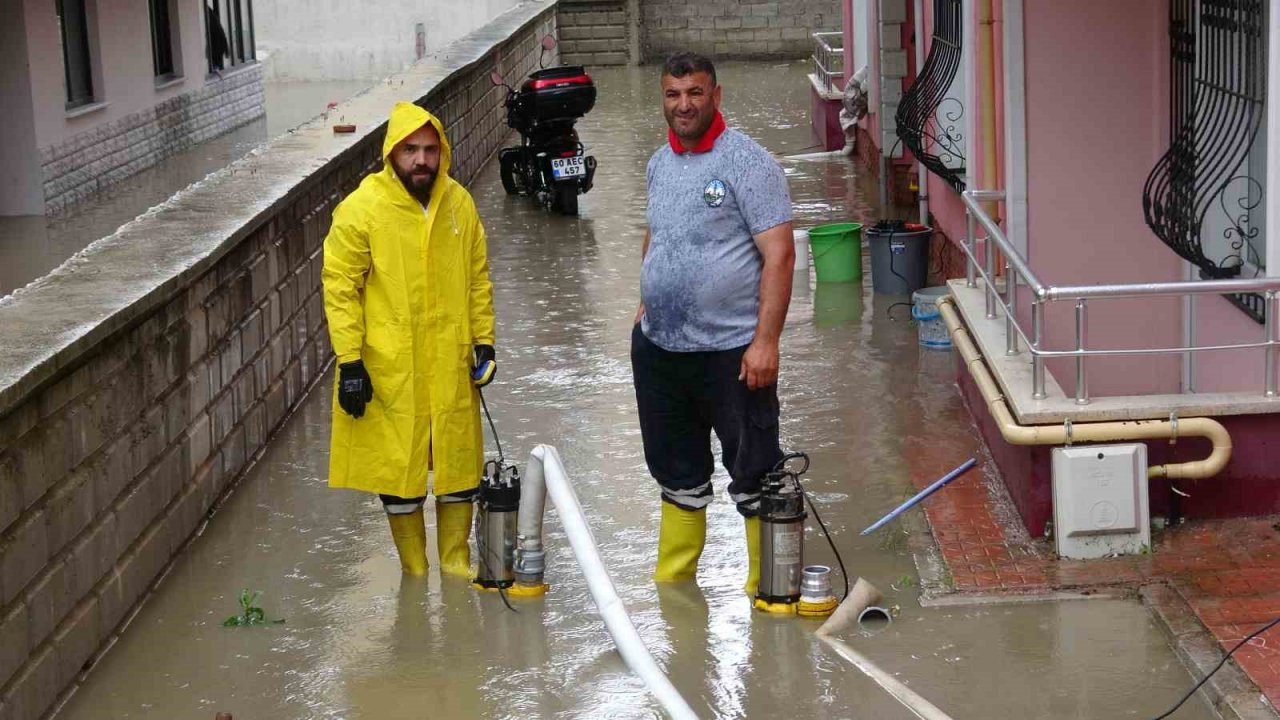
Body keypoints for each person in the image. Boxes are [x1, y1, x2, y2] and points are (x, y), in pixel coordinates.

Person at [631, 52, 795, 595]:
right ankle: (675, 597)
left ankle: (768, 593)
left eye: (695, 93)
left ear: (716, 96)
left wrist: (765, 342)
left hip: (733, 354)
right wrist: (643, 306)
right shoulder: (658, 163)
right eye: (673, 94)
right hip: (661, 353)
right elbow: (658, 235)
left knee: (755, 475)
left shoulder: (749, 164)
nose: (684, 105)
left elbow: (781, 256)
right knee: (677, 476)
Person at [322, 101, 497, 578]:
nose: (421, 160)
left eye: (429, 150)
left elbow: (477, 277)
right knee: (400, 475)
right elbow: (340, 287)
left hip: (451, 359)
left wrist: (484, 340)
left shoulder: (458, 204)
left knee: (458, 466)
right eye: (410, 151)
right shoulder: (363, 209)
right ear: (391, 154)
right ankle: (415, 574)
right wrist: (350, 362)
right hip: (389, 366)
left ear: (442, 152)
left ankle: (457, 571)